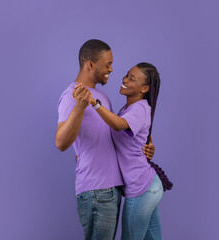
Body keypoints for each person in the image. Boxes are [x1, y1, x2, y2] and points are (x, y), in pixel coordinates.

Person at [55, 39, 155, 240]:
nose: (111, 69)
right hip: (96, 191)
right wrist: (80, 107)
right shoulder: (72, 96)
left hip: (112, 190)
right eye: (107, 64)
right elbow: (61, 142)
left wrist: (146, 144)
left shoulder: (101, 96)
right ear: (90, 65)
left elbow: (115, 132)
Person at [75, 62, 169, 239]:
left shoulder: (139, 109)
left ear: (144, 88)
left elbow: (118, 126)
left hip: (141, 189)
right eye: (126, 75)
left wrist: (93, 103)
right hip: (149, 186)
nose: (124, 79)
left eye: (132, 78)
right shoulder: (127, 109)